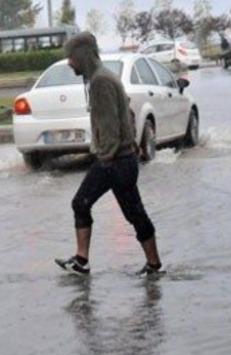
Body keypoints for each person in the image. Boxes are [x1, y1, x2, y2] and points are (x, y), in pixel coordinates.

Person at [55, 32, 163, 278]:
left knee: (81, 203)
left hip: (114, 161)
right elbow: (127, 111)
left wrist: (104, 158)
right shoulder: (105, 77)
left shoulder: (100, 82)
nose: (69, 63)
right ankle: (154, 265)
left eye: (71, 58)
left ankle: (82, 262)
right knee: (134, 213)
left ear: (82, 56)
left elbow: (110, 127)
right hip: (124, 159)